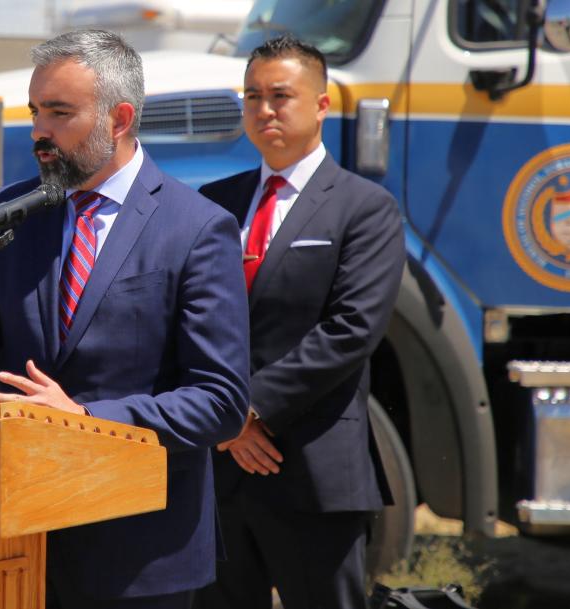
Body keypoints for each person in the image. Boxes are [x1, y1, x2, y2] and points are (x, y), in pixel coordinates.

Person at [0, 29, 250, 609]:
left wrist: (86, 419)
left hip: (140, 553)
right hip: (17, 543)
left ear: (119, 117)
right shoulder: (6, 216)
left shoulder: (195, 229)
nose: (39, 129)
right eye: (35, 111)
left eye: (60, 113)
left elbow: (219, 400)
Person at [192, 36, 405, 609]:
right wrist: (223, 423)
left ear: (321, 105)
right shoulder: (213, 205)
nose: (265, 110)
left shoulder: (365, 208)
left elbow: (351, 330)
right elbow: (189, 321)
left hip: (313, 473)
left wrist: (246, 408)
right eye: (253, 96)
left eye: (281, 95)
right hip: (219, 469)